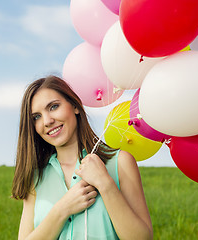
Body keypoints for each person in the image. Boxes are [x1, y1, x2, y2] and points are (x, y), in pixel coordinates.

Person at [11, 75, 153, 240]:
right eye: (36, 117)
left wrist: (106, 184)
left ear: (75, 106)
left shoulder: (120, 162)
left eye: (53, 107)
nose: (47, 121)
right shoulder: (36, 178)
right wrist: (62, 209)